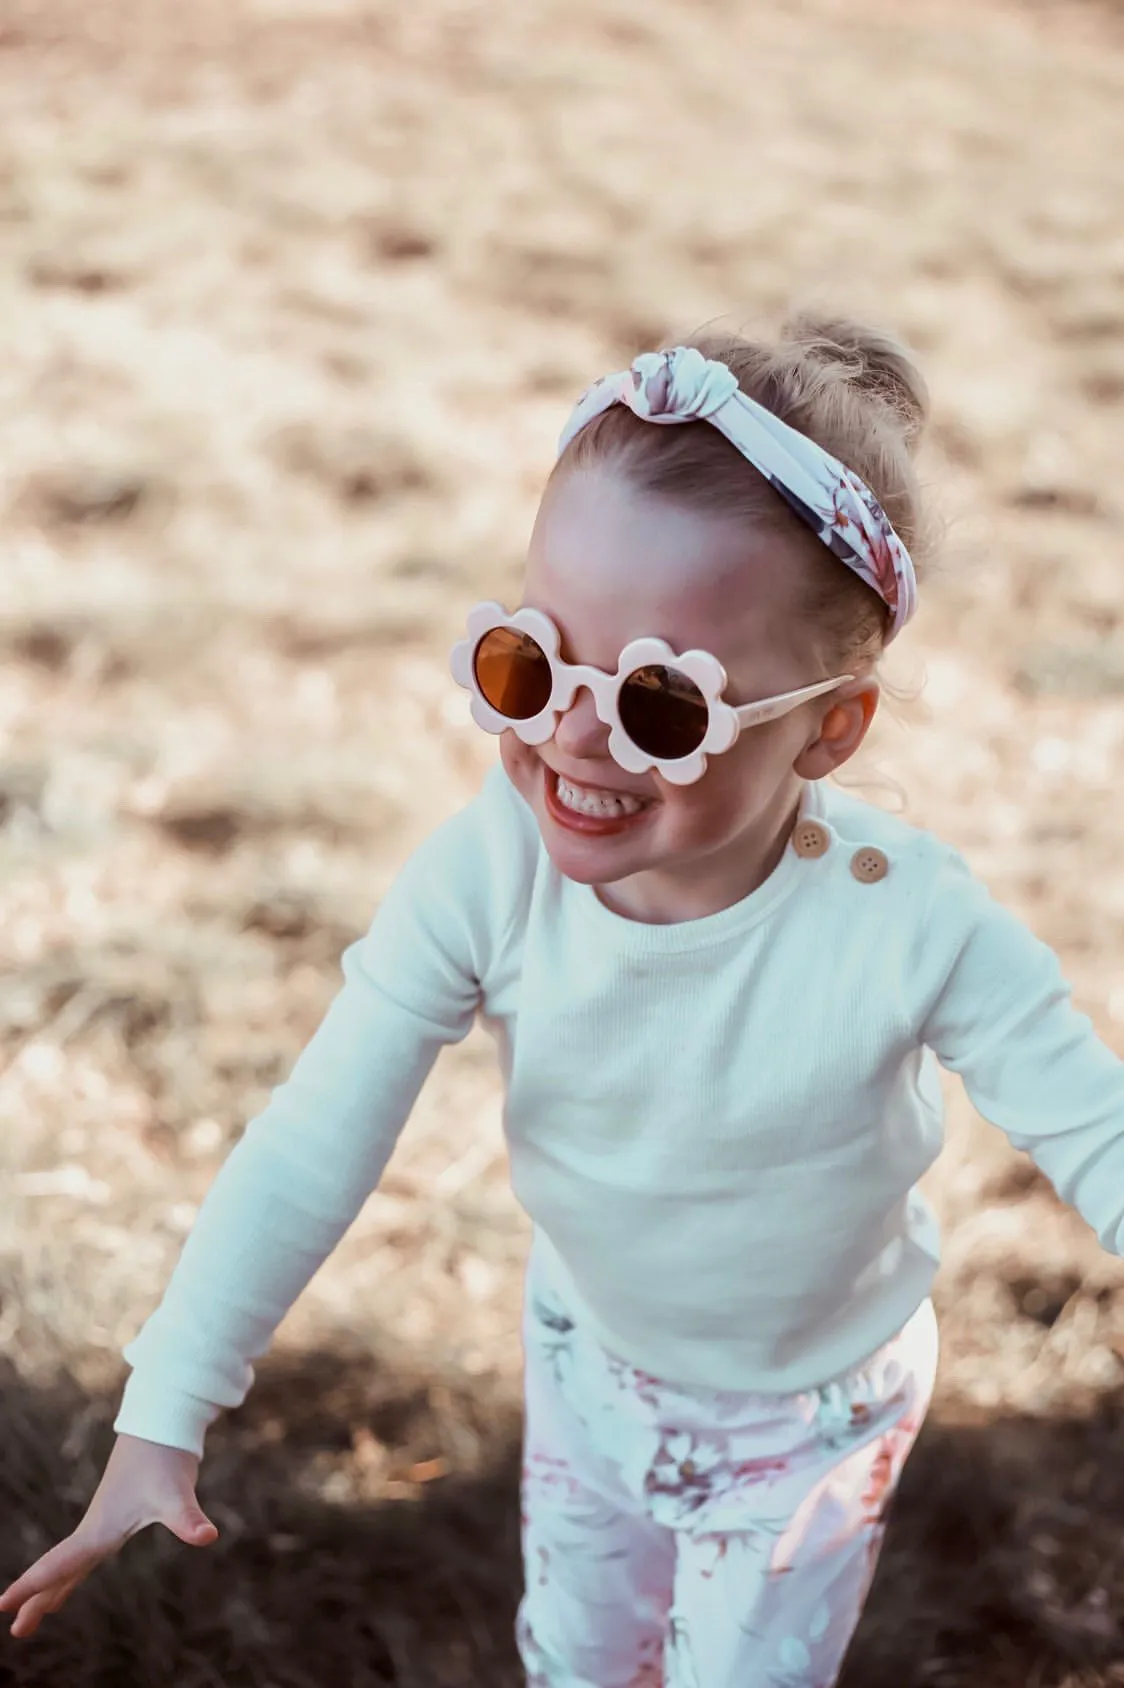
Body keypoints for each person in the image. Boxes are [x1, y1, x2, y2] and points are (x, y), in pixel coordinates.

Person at [5, 316, 1124, 1688]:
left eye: (663, 703)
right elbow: (312, 1141)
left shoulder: (912, 923)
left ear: (830, 728)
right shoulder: (489, 870)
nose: (572, 735)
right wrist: (164, 1412)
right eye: (532, 663)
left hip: (812, 1415)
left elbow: (1093, 1131)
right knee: (576, 1661)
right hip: (592, 1356)